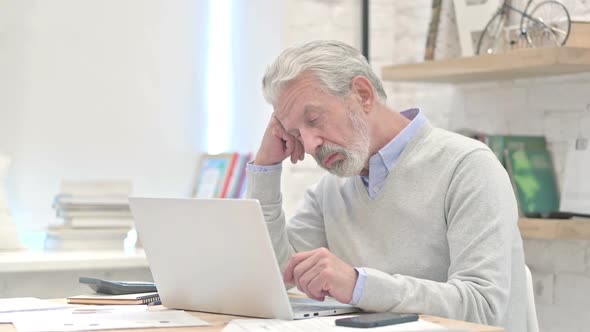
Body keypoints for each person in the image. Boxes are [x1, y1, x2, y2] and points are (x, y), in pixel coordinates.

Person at [246, 40, 526, 331]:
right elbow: (277, 275)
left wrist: (359, 285)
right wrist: (265, 166)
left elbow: (483, 306)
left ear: (363, 95)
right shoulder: (329, 192)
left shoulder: (468, 166)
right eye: (295, 133)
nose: (310, 143)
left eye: (314, 119)